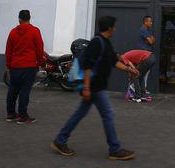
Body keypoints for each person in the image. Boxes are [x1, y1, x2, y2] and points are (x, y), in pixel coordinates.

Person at [52, 15, 139, 161]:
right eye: (114, 27)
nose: (115, 29)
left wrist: (129, 70)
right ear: (110, 28)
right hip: (94, 87)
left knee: (80, 114)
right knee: (108, 115)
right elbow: (87, 66)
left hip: (95, 87)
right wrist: (86, 87)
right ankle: (115, 149)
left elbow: (113, 62)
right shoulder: (96, 42)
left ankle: (60, 141)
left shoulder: (106, 42)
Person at [5, 9, 46, 124]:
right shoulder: (35, 31)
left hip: (15, 66)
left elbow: (8, 50)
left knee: (12, 90)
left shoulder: (13, 32)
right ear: (29, 18)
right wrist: (41, 63)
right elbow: (39, 49)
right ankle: (23, 115)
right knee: (24, 91)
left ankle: (10, 113)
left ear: (19, 19)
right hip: (29, 66)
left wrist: (8, 66)